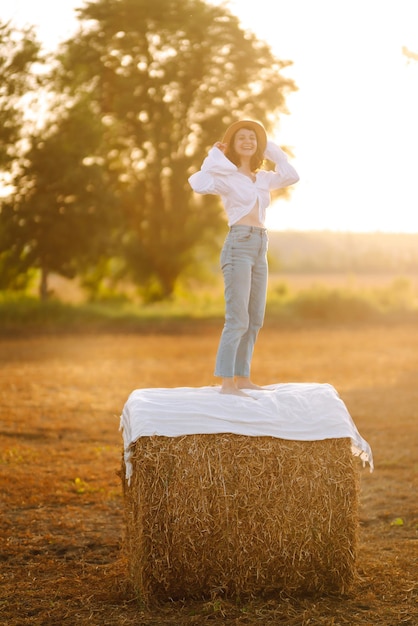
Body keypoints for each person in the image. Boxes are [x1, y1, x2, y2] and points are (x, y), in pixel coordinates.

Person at [188, 120, 299, 397]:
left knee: (255, 319)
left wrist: (271, 149)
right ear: (232, 145)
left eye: (253, 137)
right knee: (237, 318)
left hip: (260, 246)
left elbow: (291, 175)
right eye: (242, 138)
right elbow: (198, 183)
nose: (248, 141)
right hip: (238, 245)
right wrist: (214, 156)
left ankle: (244, 378)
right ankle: (227, 384)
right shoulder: (226, 176)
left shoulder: (262, 178)